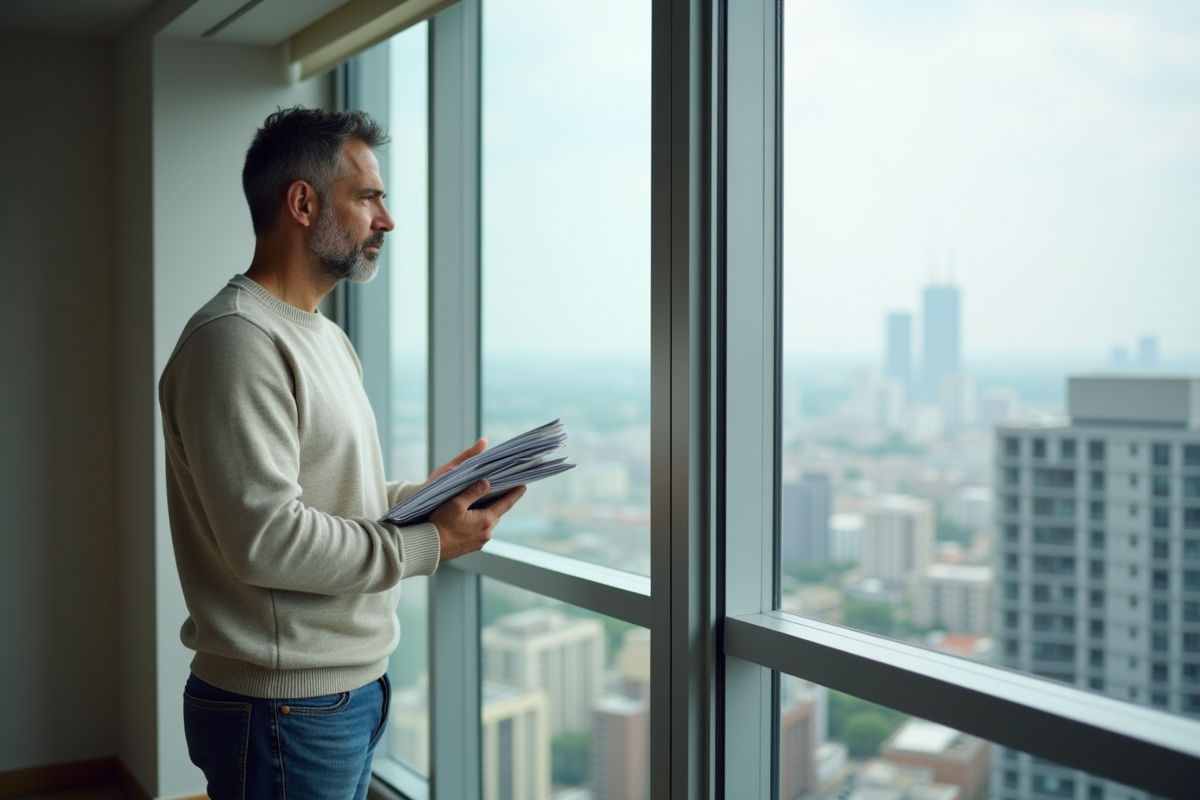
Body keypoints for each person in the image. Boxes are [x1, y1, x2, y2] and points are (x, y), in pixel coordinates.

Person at [158, 106, 524, 800]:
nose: (387, 220)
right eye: (368, 198)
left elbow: (331, 497)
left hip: (342, 694)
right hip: (283, 706)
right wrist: (429, 544)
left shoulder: (323, 337)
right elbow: (268, 540)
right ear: (302, 203)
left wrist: (427, 500)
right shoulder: (235, 342)